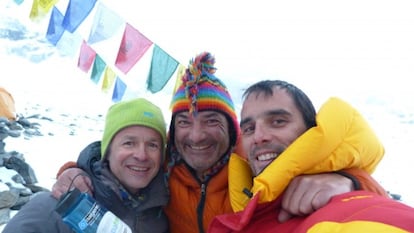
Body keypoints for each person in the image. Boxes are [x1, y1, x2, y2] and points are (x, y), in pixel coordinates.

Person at [51, 52, 386, 233]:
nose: (196, 135)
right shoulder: (161, 170)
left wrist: (350, 180)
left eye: (212, 121)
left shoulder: (257, 166)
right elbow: (115, 161)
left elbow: (374, 207)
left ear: (233, 130)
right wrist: (76, 169)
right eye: (184, 122)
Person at [208, 80, 414, 232]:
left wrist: (355, 183)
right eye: (250, 128)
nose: (259, 137)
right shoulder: (244, 199)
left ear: (310, 132)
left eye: (278, 121)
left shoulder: (342, 206)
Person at [3, 98, 169, 233]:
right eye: (129, 143)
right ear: (107, 152)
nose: (141, 155)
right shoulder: (56, 208)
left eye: (152, 145)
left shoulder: (162, 214)